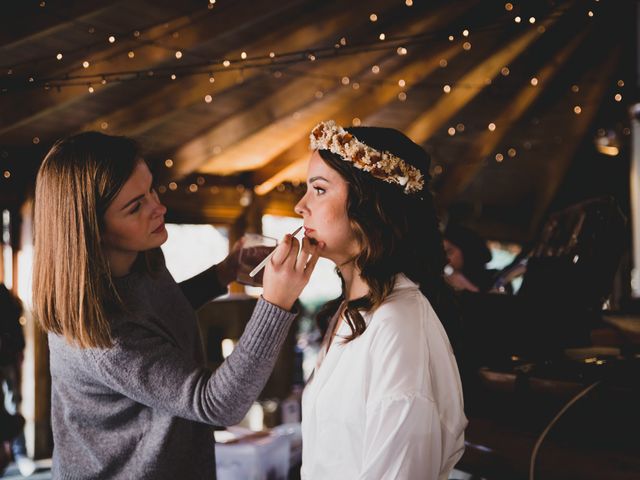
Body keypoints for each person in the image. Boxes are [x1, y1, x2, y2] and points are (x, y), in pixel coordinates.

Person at [32, 131, 322, 479]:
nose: (159, 207)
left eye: (151, 189)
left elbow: (155, 322)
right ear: (92, 230)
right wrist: (276, 302)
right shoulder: (105, 338)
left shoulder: (139, 262)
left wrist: (222, 274)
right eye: (135, 206)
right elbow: (216, 403)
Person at [296, 121, 466, 479]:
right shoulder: (350, 312)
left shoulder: (397, 323)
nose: (300, 206)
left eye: (319, 190)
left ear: (367, 206)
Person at [0, 284, 37, 477]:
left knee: (13, 403)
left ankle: (20, 453)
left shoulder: (2, 293)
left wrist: (19, 349)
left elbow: (13, 324)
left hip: (5, 358)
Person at [443, 224, 494, 293]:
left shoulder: (496, 279)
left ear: (466, 251)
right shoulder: (449, 279)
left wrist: (468, 287)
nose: (446, 258)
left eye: (449, 252)